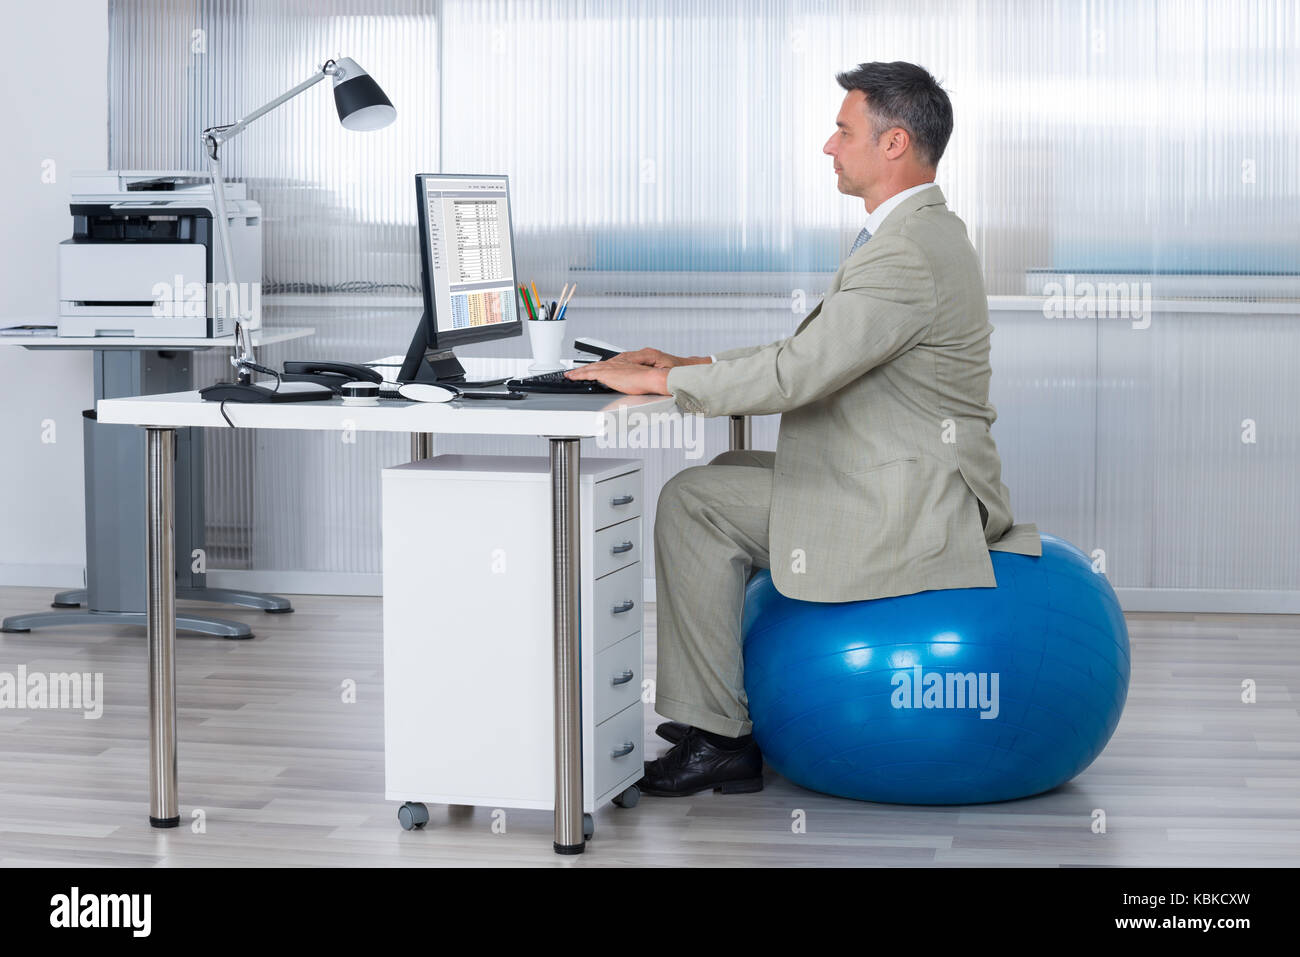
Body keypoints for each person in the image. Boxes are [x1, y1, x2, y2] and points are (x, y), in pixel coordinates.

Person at [565, 61, 1040, 797]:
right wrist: (694, 362)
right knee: (720, 479)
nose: (828, 145)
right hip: (902, 471)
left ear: (895, 144)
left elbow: (799, 374)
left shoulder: (905, 252)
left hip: (913, 505)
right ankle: (711, 711)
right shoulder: (919, 232)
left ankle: (721, 736)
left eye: (844, 130)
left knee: (693, 502)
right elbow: (815, 355)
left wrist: (666, 383)